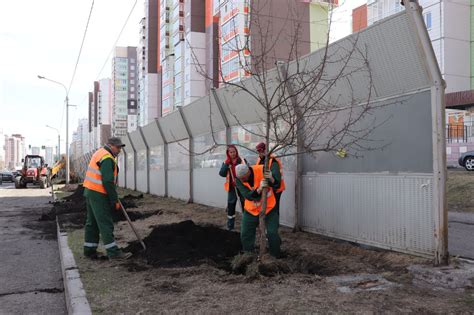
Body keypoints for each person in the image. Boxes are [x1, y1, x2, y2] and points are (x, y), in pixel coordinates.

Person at [82, 137, 132, 260]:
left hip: (89, 191)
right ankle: (114, 253)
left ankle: (89, 250)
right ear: (110, 145)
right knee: (105, 223)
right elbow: (108, 181)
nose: (119, 150)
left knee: (92, 223)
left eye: (120, 147)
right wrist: (114, 200)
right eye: (118, 147)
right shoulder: (107, 158)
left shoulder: (99, 152)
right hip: (99, 194)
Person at [235, 163, 281, 258]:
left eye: (244, 178)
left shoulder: (262, 169)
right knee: (245, 233)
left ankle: (275, 256)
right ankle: (248, 255)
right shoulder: (238, 180)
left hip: (269, 209)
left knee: (272, 233)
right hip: (251, 210)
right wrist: (259, 189)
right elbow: (247, 195)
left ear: (248, 172)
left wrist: (272, 179)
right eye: (241, 179)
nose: (242, 180)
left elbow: (277, 185)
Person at [219, 145, 247, 230]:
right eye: (230, 152)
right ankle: (230, 225)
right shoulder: (226, 162)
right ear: (228, 153)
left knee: (244, 204)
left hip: (242, 186)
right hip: (232, 188)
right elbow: (222, 174)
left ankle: (246, 224)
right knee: (231, 205)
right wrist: (226, 165)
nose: (232, 154)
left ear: (236, 152)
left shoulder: (242, 160)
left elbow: (247, 171)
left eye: (234, 152)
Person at [255, 142, 285, 215]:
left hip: (275, 189)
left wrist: (271, 178)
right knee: (267, 208)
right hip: (266, 187)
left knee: (274, 208)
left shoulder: (273, 161)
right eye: (258, 152)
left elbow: (277, 182)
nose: (260, 153)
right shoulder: (260, 159)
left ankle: (274, 224)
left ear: (266, 150)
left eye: (261, 151)